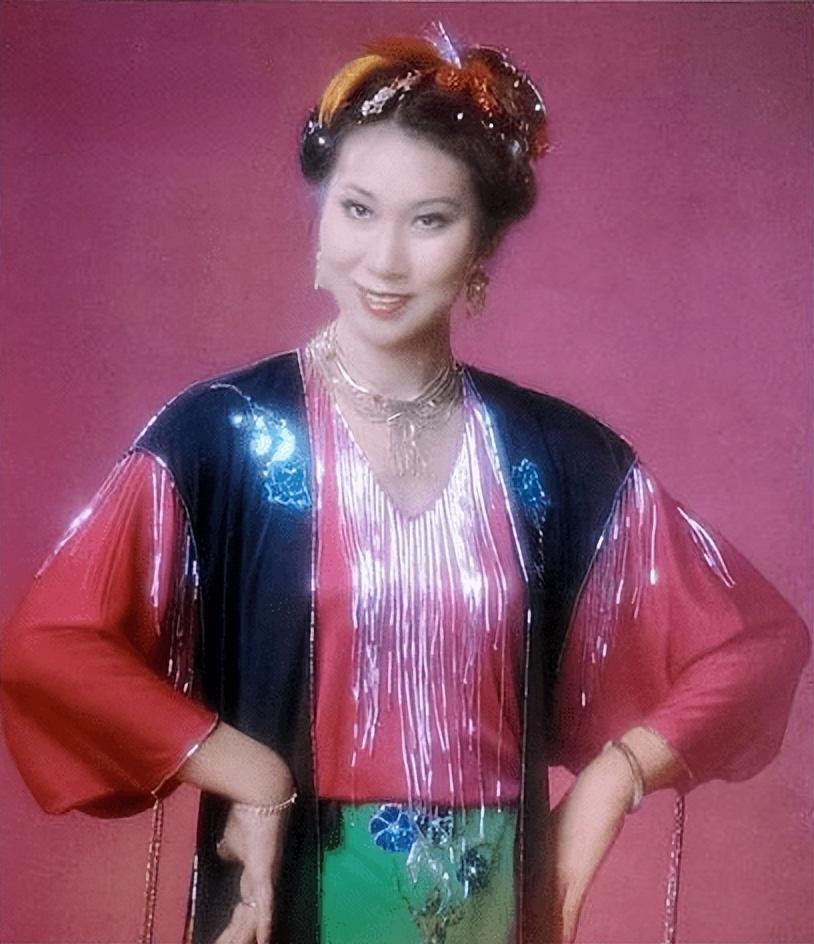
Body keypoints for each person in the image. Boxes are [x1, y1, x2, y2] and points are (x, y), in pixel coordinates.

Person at [0, 33, 809, 944]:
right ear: (320, 219)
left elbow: (758, 646)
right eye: (357, 209)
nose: (383, 260)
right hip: (288, 896)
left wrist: (611, 781)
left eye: (429, 221)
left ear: (482, 247)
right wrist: (249, 773)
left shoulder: (552, 455)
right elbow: (50, 648)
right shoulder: (220, 436)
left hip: (491, 905)